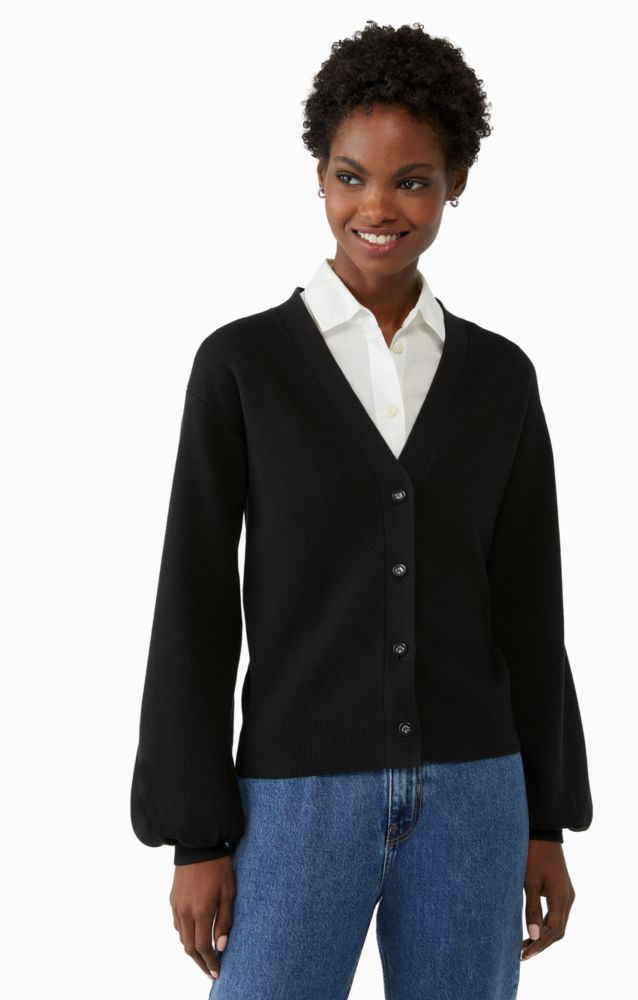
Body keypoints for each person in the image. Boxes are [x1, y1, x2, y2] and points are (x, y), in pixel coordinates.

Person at [130, 20, 593, 1000]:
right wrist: (195, 834)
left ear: (456, 181)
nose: (376, 207)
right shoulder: (242, 366)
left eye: (411, 181)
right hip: (294, 799)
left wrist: (545, 819)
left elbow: (528, 609)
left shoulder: (499, 377)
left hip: (477, 796)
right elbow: (195, 606)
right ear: (318, 177)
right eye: (350, 177)